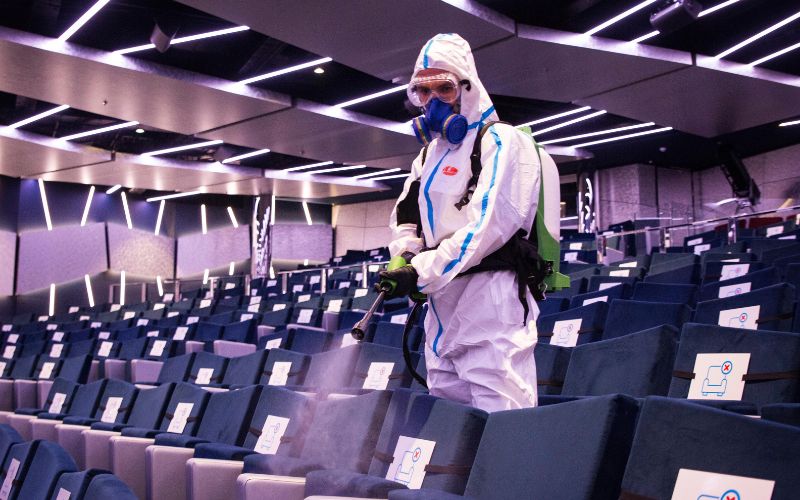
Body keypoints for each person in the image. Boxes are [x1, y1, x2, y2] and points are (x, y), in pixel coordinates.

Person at [381, 33, 544, 412]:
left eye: (445, 88)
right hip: (441, 312)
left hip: (491, 307)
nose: (433, 101)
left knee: (503, 422)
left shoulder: (500, 141)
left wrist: (420, 270)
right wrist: (404, 256)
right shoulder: (428, 156)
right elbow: (406, 217)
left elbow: (487, 227)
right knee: (451, 424)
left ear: (467, 88)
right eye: (423, 92)